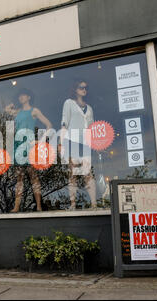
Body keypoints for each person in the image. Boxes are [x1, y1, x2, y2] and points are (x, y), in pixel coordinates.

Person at [5, 88, 52, 212]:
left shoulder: (34, 111)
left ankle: (39, 205)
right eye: (20, 95)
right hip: (19, 144)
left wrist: (40, 140)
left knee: (33, 176)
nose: (21, 97)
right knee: (19, 177)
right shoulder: (18, 112)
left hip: (29, 144)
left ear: (29, 97)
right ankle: (16, 206)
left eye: (24, 95)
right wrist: (10, 105)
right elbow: (6, 110)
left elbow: (49, 125)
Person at [59, 80, 97, 210]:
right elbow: (64, 122)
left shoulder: (90, 108)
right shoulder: (69, 103)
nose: (84, 89)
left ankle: (94, 204)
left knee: (87, 173)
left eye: (86, 87)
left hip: (85, 143)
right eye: (81, 87)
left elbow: (92, 127)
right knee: (73, 173)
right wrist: (62, 143)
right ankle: (73, 204)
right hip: (72, 141)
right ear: (75, 89)